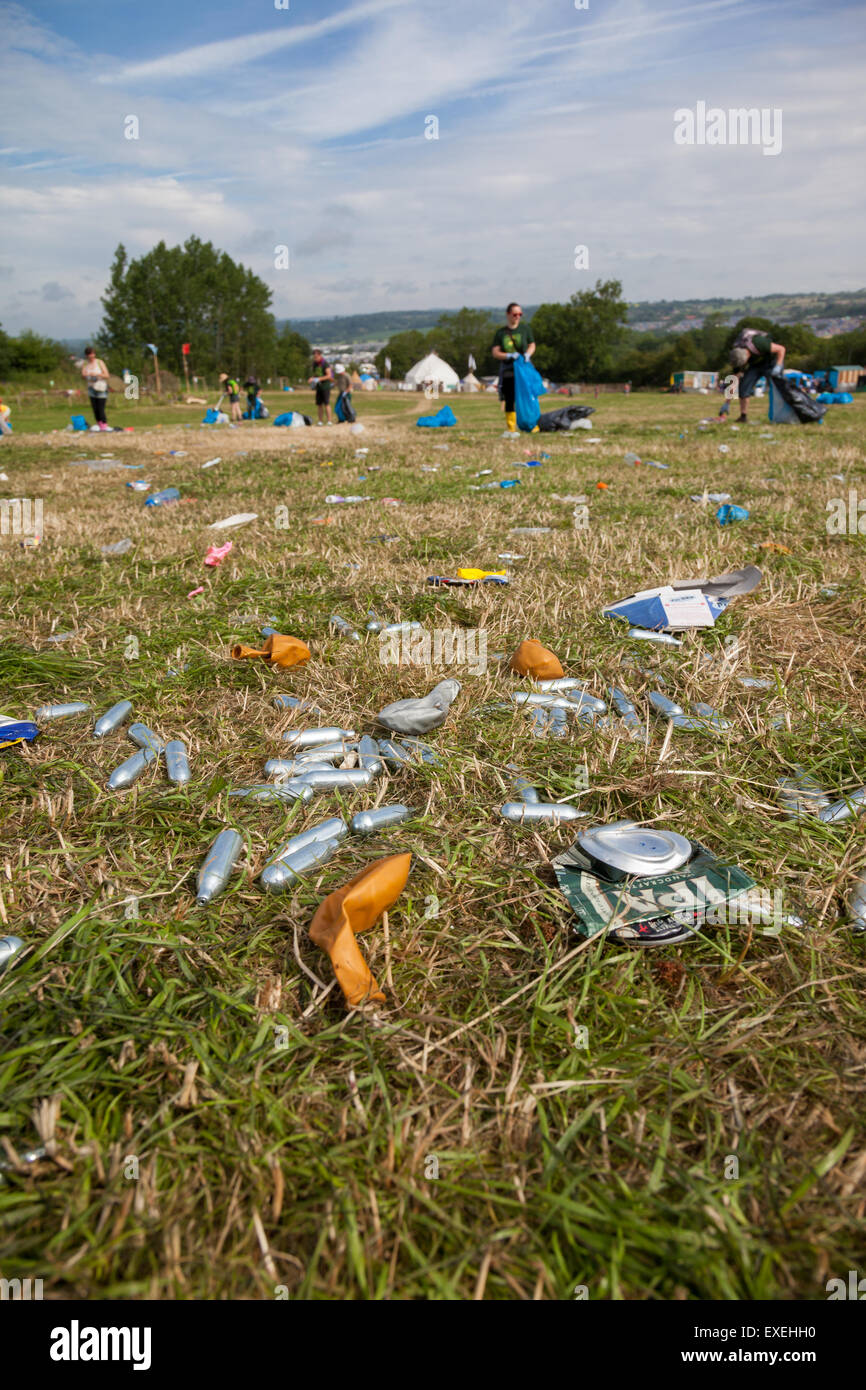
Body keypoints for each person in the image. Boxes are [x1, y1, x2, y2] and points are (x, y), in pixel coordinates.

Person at [491, 303, 536, 437]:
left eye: (520, 314)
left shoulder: (525, 329)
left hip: (523, 369)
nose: (517, 317)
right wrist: (507, 355)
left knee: (527, 397)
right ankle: (511, 427)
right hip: (508, 370)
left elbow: (532, 344)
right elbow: (495, 352)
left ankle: (531, 424)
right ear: (508, 314)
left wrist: (528, 354)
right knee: (509, 398)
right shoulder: (501, 333)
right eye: (515, 314)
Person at [728, 328, 786, 423]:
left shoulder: (758, 343)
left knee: (779, 387)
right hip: (755, 365)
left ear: (746, 358)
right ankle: (743, 416)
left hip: (771, 362)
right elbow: (734, 379)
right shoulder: (736, 357)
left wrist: (778, 366)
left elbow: (781, 349)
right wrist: (727, 402)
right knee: (744, 387)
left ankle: (783, 414)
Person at [81, 346, 111, 430]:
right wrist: (88, 375)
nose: (92, 356)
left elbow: (107, 375)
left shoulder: (99, 362)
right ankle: (99, 425)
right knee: (95, 409)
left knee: (101, 408)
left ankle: (104, 425)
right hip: (91, 387)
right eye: (90, 354)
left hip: (101, 387)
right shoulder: (85, 363)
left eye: (93, 353)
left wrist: (97, 374)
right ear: (87, 355)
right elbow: (82, 375)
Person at [308, 349, 333, 425]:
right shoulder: (315, 364)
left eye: (316, 356)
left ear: (320, 355)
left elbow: (329, 375)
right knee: (319, 404)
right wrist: (312, 378)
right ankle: (320, 421)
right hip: (318, 387)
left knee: (326, 404)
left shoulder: (325, 364)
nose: (315, 357)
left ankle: (329, 421)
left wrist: (318, 379)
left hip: (325, 386)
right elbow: (316, 374)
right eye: (314, 356)